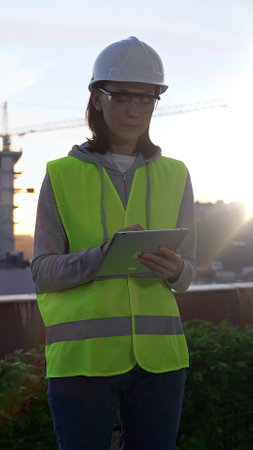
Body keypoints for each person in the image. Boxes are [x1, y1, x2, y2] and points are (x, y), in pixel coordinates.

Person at [32, 36, 196, 450]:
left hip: (160, 363)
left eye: (146, 98)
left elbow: (188, 273)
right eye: (121, 95)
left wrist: (177, 269)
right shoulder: (61, 174)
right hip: (83, 363)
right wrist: (101, 256)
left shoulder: (176, 174)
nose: (134, 109)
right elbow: (41, 271)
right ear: (97, 98)